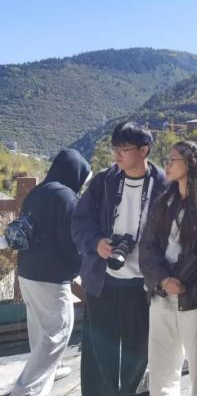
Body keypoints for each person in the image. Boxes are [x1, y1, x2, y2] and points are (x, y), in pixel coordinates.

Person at [71, 122, 168, 396]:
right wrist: (96, 243)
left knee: (140, 352)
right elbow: (79, 223)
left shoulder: (163, 185)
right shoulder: (104, 181)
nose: (117, 155)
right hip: (103, 280)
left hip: (143, 285)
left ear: (144, 150)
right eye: (116, 149)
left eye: (124, 149)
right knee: (100, 353)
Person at [140, 141, 197, 396]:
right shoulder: (165, 200)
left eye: (173, 160)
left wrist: (176, 280)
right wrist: (163, 280)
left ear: (191, 163)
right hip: (163, 291)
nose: (167, 164)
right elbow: (147, 246)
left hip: (195, 293)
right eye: (167, 159)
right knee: (161, 367)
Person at [10, 149, 91, 396]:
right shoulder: (66, 197)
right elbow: (72, 241)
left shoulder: (38, 192)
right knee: (56, 335)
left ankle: (49, 371)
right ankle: (26, 391)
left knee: (40, 332)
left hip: (27, 271)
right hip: (51, 277)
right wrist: (82, 267)